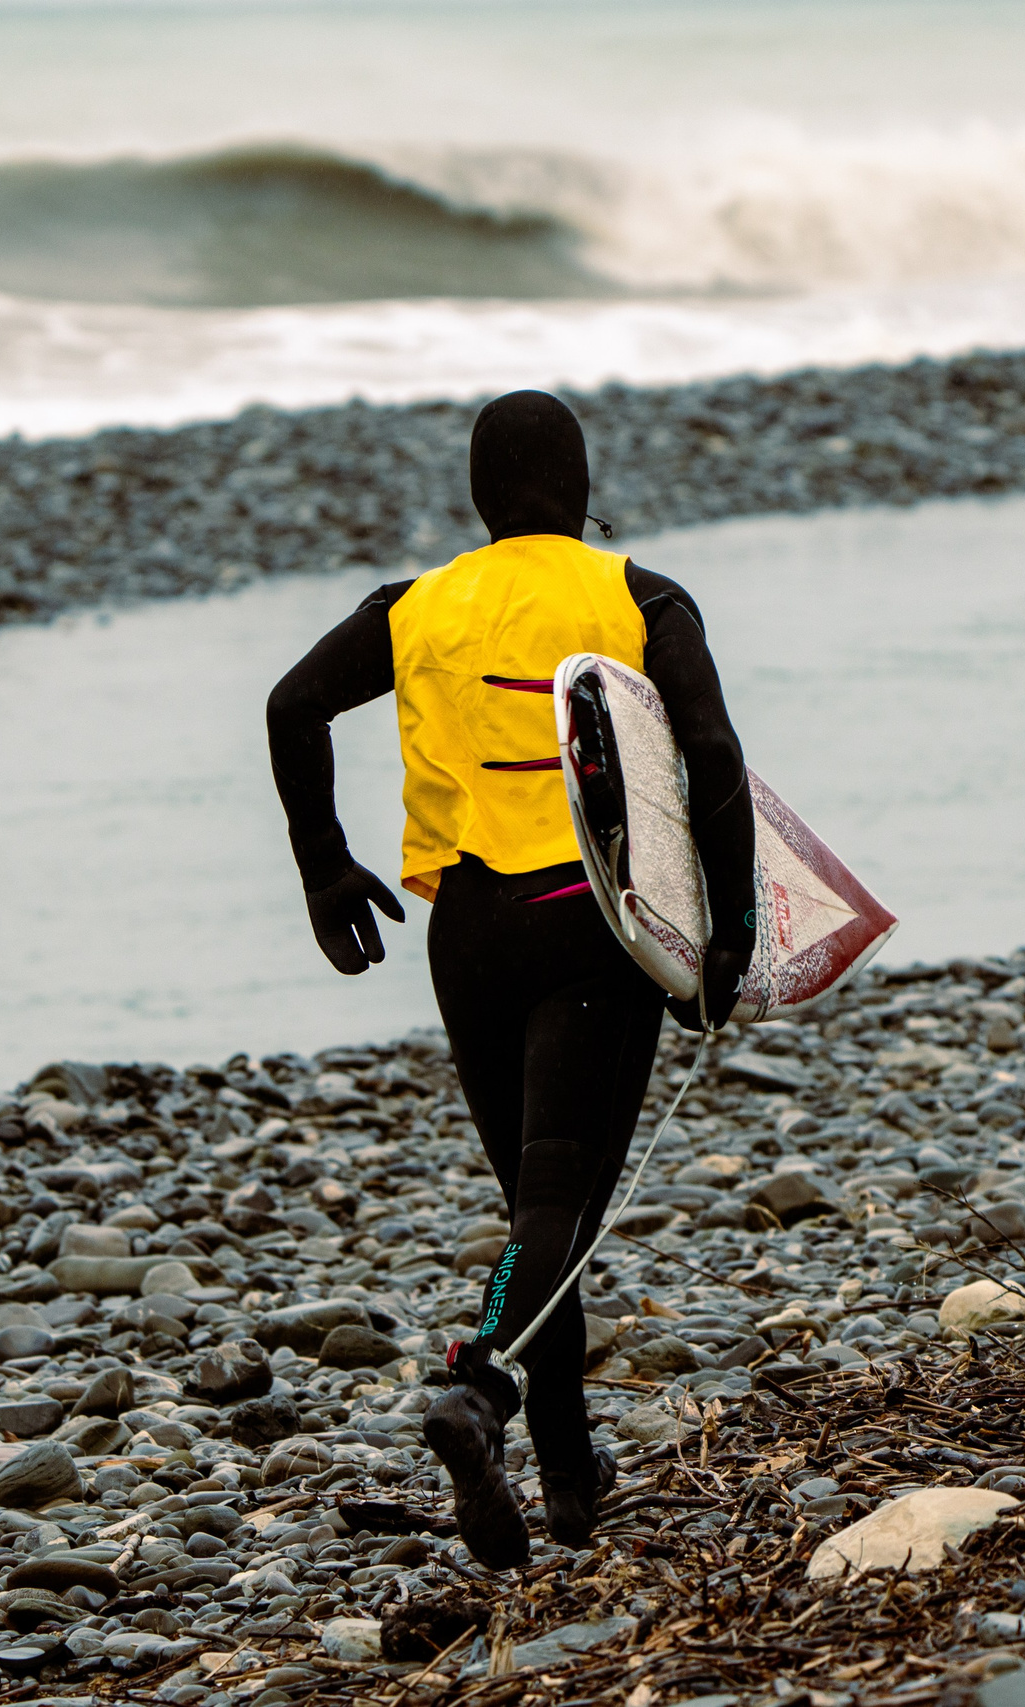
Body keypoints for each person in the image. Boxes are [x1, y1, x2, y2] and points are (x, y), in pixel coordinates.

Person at [265, 390, 755, 1566]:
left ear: (480, 499)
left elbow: (292, 705)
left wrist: (325, 868)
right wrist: (730, 927)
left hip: (470, 933)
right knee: (556, 1209)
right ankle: (477, 1385)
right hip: (592, 920)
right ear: (582, 492)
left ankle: (569, 1476)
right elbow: (709, 752)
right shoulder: (638, 597)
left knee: (540, 1211)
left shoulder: (417, 606)